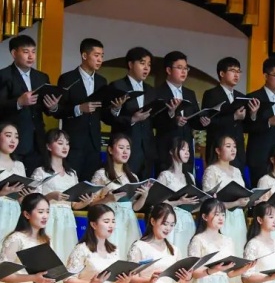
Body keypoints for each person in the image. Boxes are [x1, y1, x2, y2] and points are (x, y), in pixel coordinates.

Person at [31, 129, 94, 262]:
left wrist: (86, 202)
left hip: (67, 219)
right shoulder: (41, 172)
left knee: (66, 254)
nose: (65, 147)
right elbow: (33, 201)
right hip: (49, 217)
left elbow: (74, 205)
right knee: (48, 254)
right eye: (60, 143)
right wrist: (50, 196)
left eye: (67, 143)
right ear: (49, 146)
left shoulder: (72, 174)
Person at [0, 35, 60, 173]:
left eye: (33, 51)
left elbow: (46, 108)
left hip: (38, 140)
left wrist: (52, 107)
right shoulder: (4, 75)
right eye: (26, 52)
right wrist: (19, 102)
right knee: (15, 179)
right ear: (14, 53)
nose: (31, 56)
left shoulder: (42, 77)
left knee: (35, 180)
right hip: (15, 140)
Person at [55, 37, 107, 181]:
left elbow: (103, 112)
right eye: (96, 55)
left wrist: (115, 107)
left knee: (91, 184)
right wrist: (79, 108)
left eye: (102, 56)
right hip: (73, 142)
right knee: (71, 182)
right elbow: (59, 111)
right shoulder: (67, 78)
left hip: (94, 143)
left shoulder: (102, 81)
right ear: (84, 55)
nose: (100, 60)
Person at [91, 134, 149, 258]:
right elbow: (91, 204)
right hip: (110, 222)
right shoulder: (101, 174)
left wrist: (144, 196)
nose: (125, 151)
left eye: (128, 148)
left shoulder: (133, 177)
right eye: (121, 147)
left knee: (129, 256)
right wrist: (108, 199)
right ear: (110, 150)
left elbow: (134, 207)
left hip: (129, 222)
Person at [201, 56, 259, 176]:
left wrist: (253, 114)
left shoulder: (241, 96)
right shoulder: (211, 94)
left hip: (238, 151)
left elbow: (246, 126)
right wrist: (233, 117)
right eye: (232, 71)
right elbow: (209, 122)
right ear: (222, 73)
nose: (236, 75)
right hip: (218, 149)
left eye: (238, 71)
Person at [103, 46, 155, 178]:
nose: (146, 68)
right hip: (126, 149)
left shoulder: (150, 90)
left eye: (149, 65)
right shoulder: (117, 86)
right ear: (131, 64)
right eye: (142, 63)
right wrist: (132, 119)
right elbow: (107, 117)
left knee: (144, 187)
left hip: (147, 151)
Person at [201, 135, 252, 256]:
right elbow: (208, 202)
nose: (233, 149)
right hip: (221, 217)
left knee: (238, 250)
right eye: (228, 146)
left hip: (238, 217)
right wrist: (235, 203)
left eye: (234, 146)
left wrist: (249, 200)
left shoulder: (237, 171)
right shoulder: (211, 170)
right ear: (218, 150)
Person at [245, 58, 275, 186]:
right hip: (260, 156)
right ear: (266, 76)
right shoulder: (253, 97)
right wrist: (267, 122)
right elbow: (246, 126)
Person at [152, 51, 200, 175]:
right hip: (166, 149)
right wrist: (172, 116)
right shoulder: (157, 92)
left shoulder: (190, 93)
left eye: (186, 68)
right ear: (168, 70)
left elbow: (195, 120)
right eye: (179, 68)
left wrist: (204, 121)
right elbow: (153, 121)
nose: (184, 71)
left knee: (187, 182)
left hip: (187, 151)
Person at [156, 137, 201, 257]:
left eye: (188, 150)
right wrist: (179, 202)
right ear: (172, 151)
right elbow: (157, 202)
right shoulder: (165, 175)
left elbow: (193, 203)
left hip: (187, 220)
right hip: (171, 220)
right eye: (183, 149)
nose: (187, 153)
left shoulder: (190, 177)